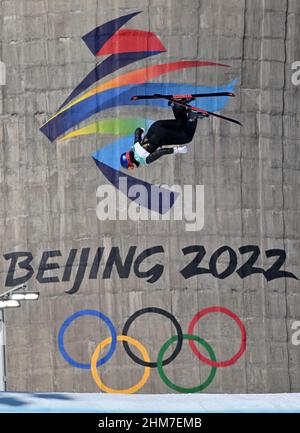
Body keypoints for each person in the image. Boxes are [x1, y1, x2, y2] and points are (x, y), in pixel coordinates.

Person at [120, 101, 208, 169]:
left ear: (130, 161)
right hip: (155, 126)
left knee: (186, 137)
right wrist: (142, 130)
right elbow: (137, 131)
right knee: (180, 124)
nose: (133, 168)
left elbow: (161, 152)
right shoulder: (134, 147)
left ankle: (192, 117)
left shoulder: (144, 160)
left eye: (131, 167)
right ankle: (177, 106)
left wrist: (177, 150)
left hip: (161, 136)